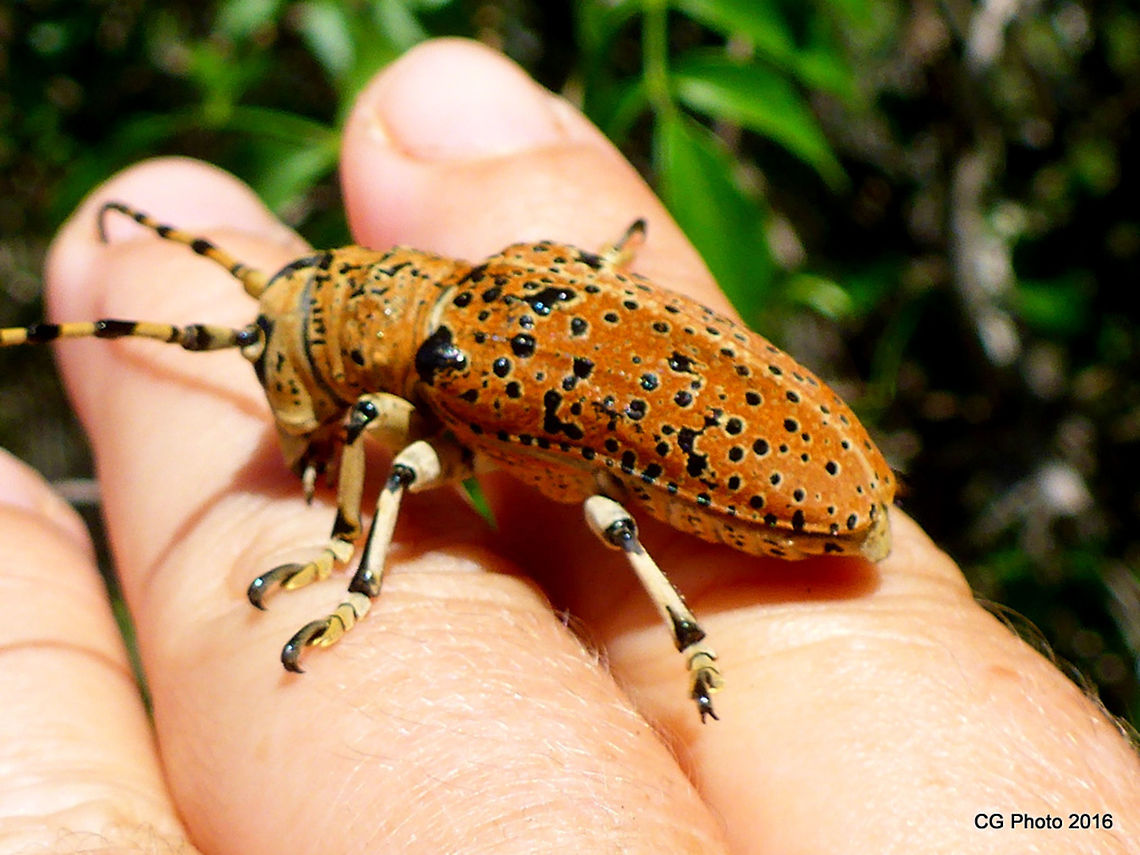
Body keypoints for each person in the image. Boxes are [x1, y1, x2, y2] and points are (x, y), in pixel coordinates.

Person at [1, 39, 1136, 854]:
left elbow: (381, 445)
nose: (296, 400)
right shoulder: (516, 262)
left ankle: (672, 629)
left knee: (417, 466)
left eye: (291, 368)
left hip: (785, 487)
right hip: (804, 427)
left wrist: (347, 568)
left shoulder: (434, 387)